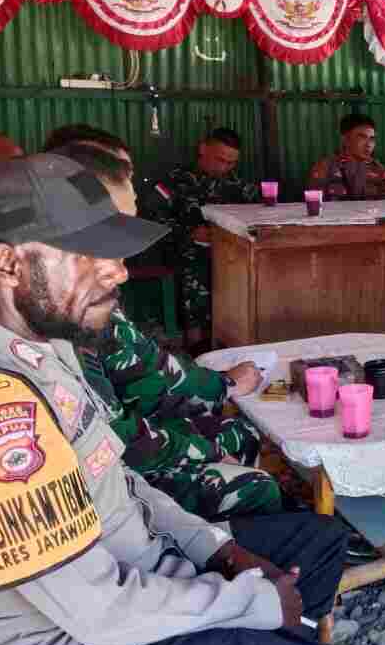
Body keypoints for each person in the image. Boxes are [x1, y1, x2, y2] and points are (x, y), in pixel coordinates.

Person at [0, 153, 379, 645]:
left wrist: (216, 548)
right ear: (6, 264)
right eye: (88, 254)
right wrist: (250, 600)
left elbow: (121, 482)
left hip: (146, 574)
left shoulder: (50, 347)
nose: (118, 272)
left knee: (315, 542)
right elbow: (97, 610)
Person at [53, 141, 282, 521]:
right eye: (105, 242)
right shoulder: (61, 325)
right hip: (113, 481)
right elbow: (124, 429)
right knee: (254, 481)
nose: (120, 271)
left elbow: (144, 368)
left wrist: (217, 393)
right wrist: (207, 441)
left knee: (237, 434)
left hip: (133, 438)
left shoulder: (81, 302)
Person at [141, 128, 259, 351]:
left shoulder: (240, 186)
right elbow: (151, 219)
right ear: (203, 149)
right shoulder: (175, 181)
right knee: (195, 267)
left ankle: (237, 341)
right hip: (183, 251)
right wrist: (189, 233)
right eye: (220, 160)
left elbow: (256, 218)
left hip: (228, 253)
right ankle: (196, 346)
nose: (224, 168)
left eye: (231, 163)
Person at [307, 112, 385, 202]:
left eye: (372, 138)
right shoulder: (325, 167)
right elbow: (314, 203)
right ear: (345, 139)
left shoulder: (379, 170)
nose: (369, 144)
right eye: (362, 137)